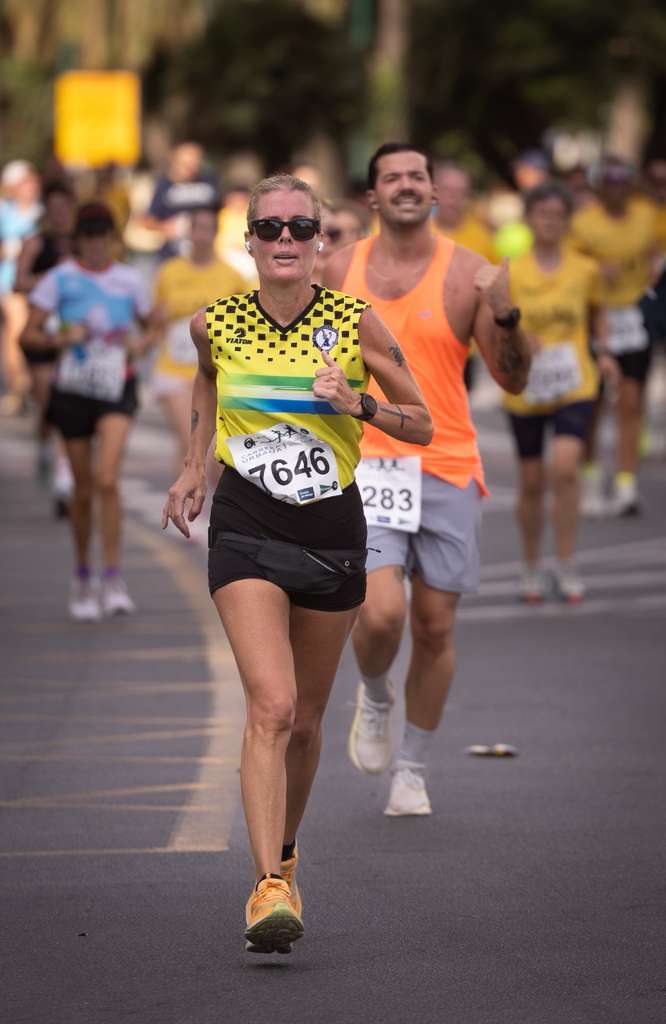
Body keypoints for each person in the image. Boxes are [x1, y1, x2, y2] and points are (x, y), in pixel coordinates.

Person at [162, 173, 432, 953]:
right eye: (268, 228)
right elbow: (209, 385)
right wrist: (192, 465)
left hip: (332, 533)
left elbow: (421, 425)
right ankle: (269, 888)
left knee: (308, 724)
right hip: (247, 527)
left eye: (299, 229)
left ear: (322, 244)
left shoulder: (356, 323)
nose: (284, 241)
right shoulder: (212, 323)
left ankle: (284, 850)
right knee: (272, 708)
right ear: (246, 240)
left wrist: (360, 407)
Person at [324, 143, 531, 817]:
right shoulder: (337, 269)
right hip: (364, 462)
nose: (408, 185)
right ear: (372, 198)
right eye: (392, 177)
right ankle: (376, 691)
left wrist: (506, 315)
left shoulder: (469, 273)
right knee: (381, 612)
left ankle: (411, 769)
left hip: (445, 464)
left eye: (418, 176)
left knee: (436, 628)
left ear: (435, 193)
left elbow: (515, 378)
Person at [20, 202, 157, 621]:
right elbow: (29, 333)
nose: (97, 244)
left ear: (112, 239)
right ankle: (83, 574)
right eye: (89, 236)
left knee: (107, 480)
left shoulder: (129, 279)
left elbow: (153, 323)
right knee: (82, 491)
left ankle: (113, 576)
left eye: (103, 236)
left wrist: (141, 344)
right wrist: (61, 336)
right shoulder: (60, 279)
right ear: (79, 239)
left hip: (117, 384)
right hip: (74, 388)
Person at [503, 181, 619, 603]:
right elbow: (499, 327)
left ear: (567, 221)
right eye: (542, 214)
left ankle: (566, 562)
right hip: (526, 387)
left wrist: (605, 353)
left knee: (566, 467)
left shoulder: (584, 269)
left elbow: (597, 315)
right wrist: (519, 343)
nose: (550, 222)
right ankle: (531, 566)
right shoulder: (512, 270)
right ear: (530, 219)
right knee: (531, 481)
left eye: (558, 215)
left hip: (575, 381)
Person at [570, 156, 659, 515]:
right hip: (597, 318)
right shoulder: (583, 222)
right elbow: (570, 265)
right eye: (610, 181)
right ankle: (591, 479)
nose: (617, 187)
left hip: (634, 316)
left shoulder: (645, 214)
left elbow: (655, 250)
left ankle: (626, 483)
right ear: (599, 185)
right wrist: (594, 268)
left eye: (623, 180)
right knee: (594, 405)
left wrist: (652, 271)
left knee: (633, 401)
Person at [152, 207, 247, 468]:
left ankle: (189, 503)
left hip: (213, 372)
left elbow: (246, 324)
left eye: (208, 229)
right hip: (173, 368)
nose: (202, 235)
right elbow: (153, 321)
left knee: (208, 450)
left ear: (216, 233)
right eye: (197, 228)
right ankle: (193, 505)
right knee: (191, 440)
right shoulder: (169, 271)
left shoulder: (233, 276)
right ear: (189, 232)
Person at [15, 181, 76, 510]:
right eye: (53, 210)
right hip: (41, 336)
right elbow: (18, 282)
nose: (59, 215)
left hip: (74, 338)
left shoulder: (83, 245)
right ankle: (44, 448)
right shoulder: (36, 243)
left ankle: (64, 477)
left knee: (68, 409)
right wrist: (53, 279)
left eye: (64, 209)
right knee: (48, 407)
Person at [0, 160, 42, 413]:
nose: (29, 187)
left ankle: (23, 385)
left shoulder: (42, 212)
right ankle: (20, 384)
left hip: (37, 285)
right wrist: (13, 249)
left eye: (31, 181)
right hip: (10, 283)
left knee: (16, 336)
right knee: (17, 331)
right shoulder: (5, 211)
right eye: (23, 182)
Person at [144, 142, 222, 260]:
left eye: (194, 163)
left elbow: (224, 212)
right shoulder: (163, 186)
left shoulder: (210, 182)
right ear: (174, 162)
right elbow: (148, 220)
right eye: (186, 164)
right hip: (172, 254)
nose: (191, 168)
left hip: (206, 253)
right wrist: (165, 227)